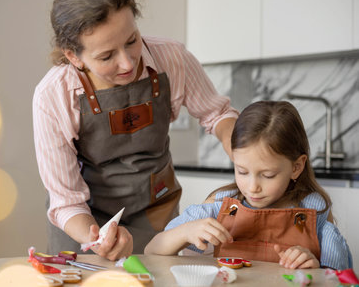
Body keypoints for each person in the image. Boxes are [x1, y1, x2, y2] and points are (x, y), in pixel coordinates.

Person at [33, 0, 238, 261]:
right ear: (73, 56)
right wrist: (98, 239)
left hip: (156, 213)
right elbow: (66, 200)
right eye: (106, 57)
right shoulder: (53, 95)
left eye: (132, 40)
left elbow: (218, 114)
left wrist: (248, 158)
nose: (127, 63)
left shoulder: (171, 58)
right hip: (85, 220)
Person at [144, 101, 353, 270]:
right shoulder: (220, 206)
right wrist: (185, 232)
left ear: (296, 167)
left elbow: (340, 277)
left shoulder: (314, 210)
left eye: (268, 175)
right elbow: (151, 251)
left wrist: (313, 265)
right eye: (242, 171)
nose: (252, 187)